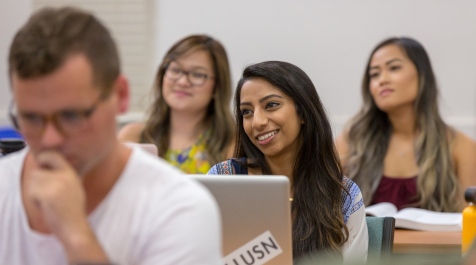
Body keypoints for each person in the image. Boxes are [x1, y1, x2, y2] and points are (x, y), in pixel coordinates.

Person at [0, 7, 221, 265]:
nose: (49, 140)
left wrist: (77, 237)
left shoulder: (180, 209)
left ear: (121, 95)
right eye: (31, 118)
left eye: (71, 116)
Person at [208, 61, 368, 263]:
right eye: (246, 112)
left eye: (271, 105)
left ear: (302, 112)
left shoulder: (344, 196)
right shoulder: (223, 179)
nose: (257, 121)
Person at [335, 37, 476, 212]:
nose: (382, 80)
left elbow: (468, 225)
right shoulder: (351, 141)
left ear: (422, 75)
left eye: (394, 68)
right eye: (374, 74)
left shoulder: (461, 146)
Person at [118, 35, 235, 174]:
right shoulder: (134, 137)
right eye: (175, 70)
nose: (182, 82)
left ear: (217, 87)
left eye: (197, 74)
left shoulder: (232, 143)